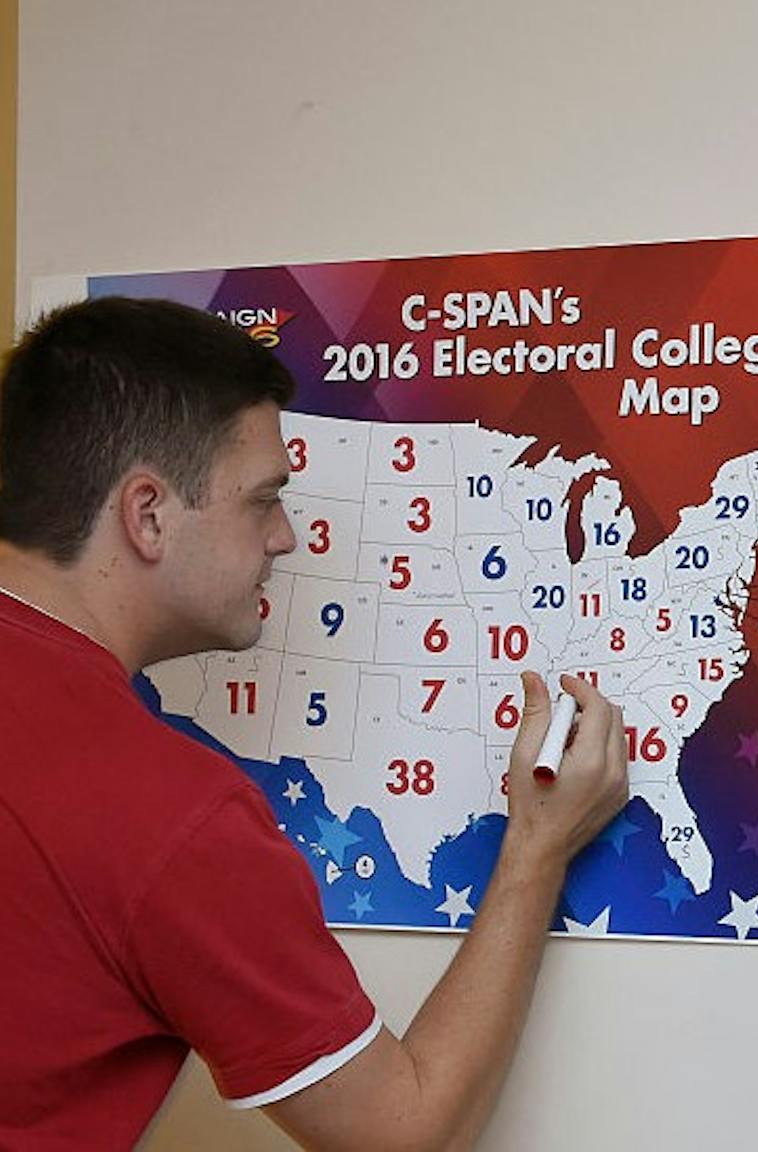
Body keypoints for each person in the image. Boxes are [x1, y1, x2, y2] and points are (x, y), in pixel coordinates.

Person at [0, 297, 630, 1149]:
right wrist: (537, 846)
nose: (286, 537)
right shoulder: (166, 818)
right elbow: (401, 1135)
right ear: (148, 514)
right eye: (264, 500)